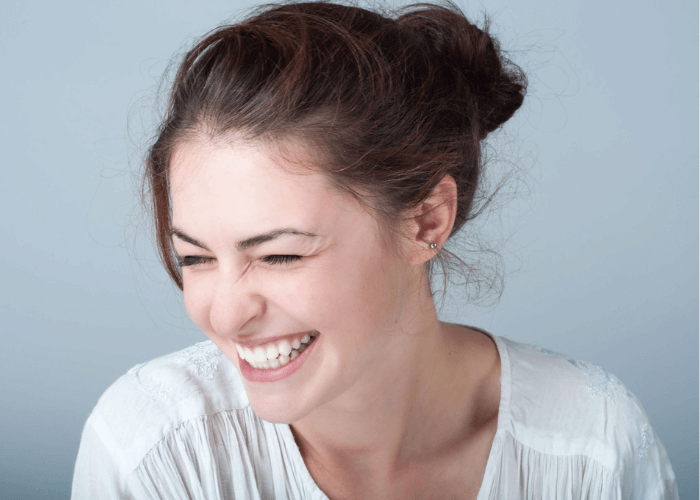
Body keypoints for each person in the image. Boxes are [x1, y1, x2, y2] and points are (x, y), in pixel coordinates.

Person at [71, 2, 678, 498]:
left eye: (280, 255)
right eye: (195, 258)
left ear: (425, 220)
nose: (225, 316)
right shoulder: (155, 451)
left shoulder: (590, 449)